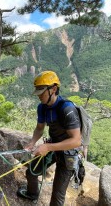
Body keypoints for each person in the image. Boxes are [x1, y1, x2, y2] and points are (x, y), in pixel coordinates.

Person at [17, 71, 82, 206]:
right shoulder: (42, 107)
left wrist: (48, 147)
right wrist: (32, 142)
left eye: (42, 91)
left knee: (57, 195)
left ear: (53, 89)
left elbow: (76, 140)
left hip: (68, 152)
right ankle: (32, 194)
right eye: (38, 91)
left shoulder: (67, 109)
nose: (39, 95)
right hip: (53, 147)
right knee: (31, 172)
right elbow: (40, 128)